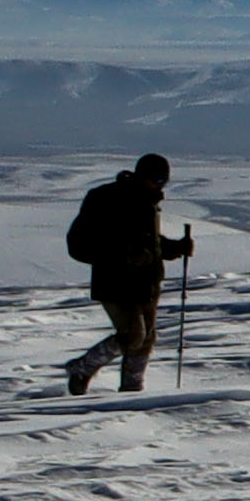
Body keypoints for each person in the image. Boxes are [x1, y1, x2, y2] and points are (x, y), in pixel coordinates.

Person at [61, 152, 194, 393]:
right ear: (141, 176)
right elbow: (79, 244)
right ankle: (82, 368)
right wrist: (123, 257)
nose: (160, 186)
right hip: (115, 282)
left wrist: (176, 248)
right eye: (156, 180)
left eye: (163, 181)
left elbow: (150, 244)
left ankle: (132, 390)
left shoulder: (148, 202)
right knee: (133, 335)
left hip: (146, 282)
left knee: (146, 338)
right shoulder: (105, 198)